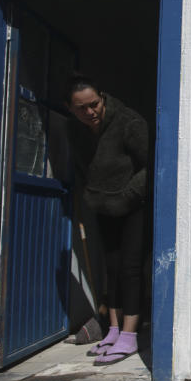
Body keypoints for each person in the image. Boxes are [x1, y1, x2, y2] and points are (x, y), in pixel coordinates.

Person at [65, 76, 149, 366]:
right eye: (81, 108)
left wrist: (128, 195)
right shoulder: (76, 131)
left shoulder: (128, 122)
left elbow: (151, 164)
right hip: (102, 207)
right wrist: (90, 194)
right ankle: (113, 330)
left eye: (94, 104)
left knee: (130, 268)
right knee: (110, 270)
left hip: (131, 207)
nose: (90, 112)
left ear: (103, 97)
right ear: (71, 109)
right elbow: (82, 166)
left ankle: (130, 335)